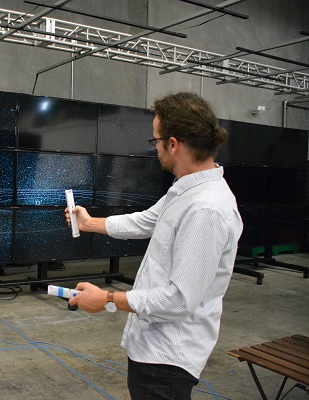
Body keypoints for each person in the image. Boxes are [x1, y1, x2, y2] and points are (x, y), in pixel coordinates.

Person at [65, 92, 243, 400]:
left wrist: (106, 299)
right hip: (153, 349)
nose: (155, 147)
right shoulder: (187, 189)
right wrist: (89, 222)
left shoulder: (205, 209)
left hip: (167, 361)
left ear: (172, 144)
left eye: (155, 140)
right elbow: (147, 221)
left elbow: (178, 300)